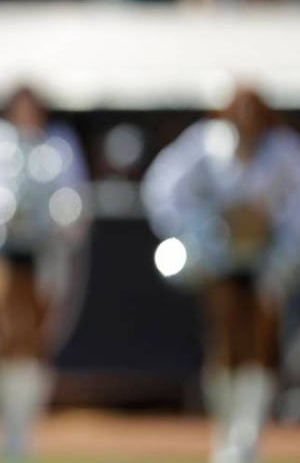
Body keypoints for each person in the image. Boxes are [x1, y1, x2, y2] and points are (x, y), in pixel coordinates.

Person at [142, 85, 300, 463]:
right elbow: (162, 188)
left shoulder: (282, 150)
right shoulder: (205, 143)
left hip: (269, 259)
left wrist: (271, 229)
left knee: (262, 342)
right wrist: (206, 229)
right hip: (220, 259)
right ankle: (226, 436)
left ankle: (248, 437)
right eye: (239, 108)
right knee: (226, 341)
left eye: (253, 108)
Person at [0, 86, 91, 460]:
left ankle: (24, 430)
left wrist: (57, 218)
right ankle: (6, 430)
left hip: (43, 253)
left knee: (34, 340)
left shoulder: (59, 145)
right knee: (1, 337)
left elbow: (74, 198)